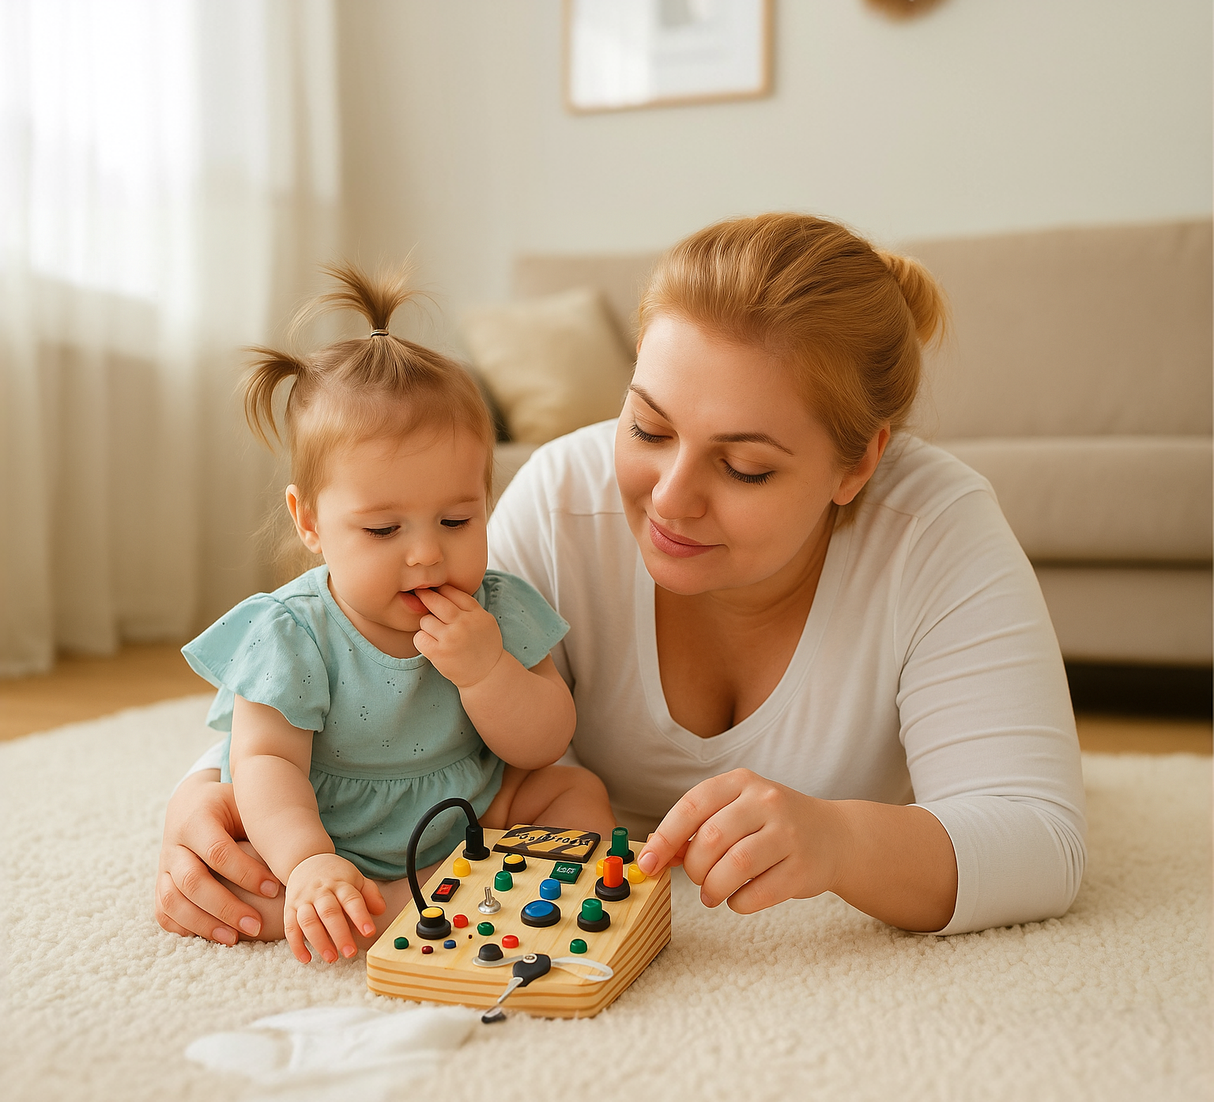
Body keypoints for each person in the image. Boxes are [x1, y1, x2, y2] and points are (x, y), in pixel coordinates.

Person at [156, 215, 1085, 945]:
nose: (669, 498)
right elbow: (365, 664)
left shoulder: (935, 532)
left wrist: (841, 840)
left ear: (860, 463)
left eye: (746, 467)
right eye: (646, 428)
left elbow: (1041, 841)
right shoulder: (563, 496)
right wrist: (203, 797)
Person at [168, 264, 613, 963]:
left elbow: (545, 742)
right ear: (310, 522)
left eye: (457, 520)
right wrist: (308, 860)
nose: (427, 554)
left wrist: (487, 672)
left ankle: (428, 893)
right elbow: (265, 762)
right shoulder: (293, 631)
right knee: (238, 877)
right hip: (329, 827)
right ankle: (383, 898)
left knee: (575, 794)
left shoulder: (497, 606)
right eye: (383, 530)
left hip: (470, 810)